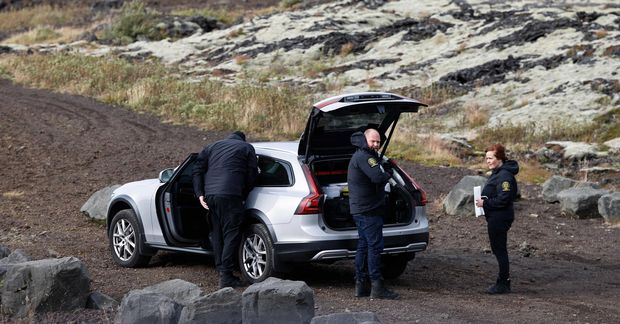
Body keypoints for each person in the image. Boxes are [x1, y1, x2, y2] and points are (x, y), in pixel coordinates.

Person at [192, 131, 258, 288]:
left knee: (217, 233)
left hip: (210, 196)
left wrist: (200, 194)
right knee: (231, 233)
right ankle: (226, 275)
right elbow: (252, 174)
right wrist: (244, 193)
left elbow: (197, 170)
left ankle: (222, 270)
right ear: (243, 139)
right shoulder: (246, 148)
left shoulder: (211, 147)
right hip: (230, 194)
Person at [347, 128, 398, 299]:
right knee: (375, 247)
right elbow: (377, 177)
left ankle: (361, 286)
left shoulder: (362, 155)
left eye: (378, 142)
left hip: (361, 209)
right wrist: (388, 173)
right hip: (368, 210)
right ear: (365, 140)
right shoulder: (365, 157)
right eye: (373, 141)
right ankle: (377, 287)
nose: (376, 144)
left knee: (364, 245)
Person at [475, 144, 519, 294]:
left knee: (500, 250)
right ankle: (503, 282)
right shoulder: (497, 172)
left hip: (500, 217)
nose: (488, 161)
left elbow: (504, 199)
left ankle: (503, 283)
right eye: (486, 158)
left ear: (499, 158)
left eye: (491, 158)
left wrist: (485, 203)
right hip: (495, 216)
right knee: (498, 249)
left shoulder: (504, 175)